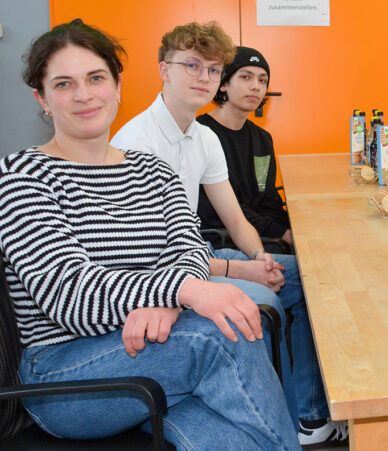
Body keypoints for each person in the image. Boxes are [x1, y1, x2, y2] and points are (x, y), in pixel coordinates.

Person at [1, 19, 298, 449]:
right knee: (223, 332)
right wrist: (181, 292)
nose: (84, 95)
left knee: (219, 429)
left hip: (156, 350)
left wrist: (171, 303)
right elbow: (69, 295)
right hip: (64, 372)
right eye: (64, 84)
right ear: (42, 98)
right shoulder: (22, 176)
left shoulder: (151, 169)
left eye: (95, 78)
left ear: (117, 85)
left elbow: (190, 246)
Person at [110, 22, 344, 445]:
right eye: (192, 66)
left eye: (213, 69)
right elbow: (151, 256)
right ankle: (290, 421)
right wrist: (244, 273)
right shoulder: (135, 142)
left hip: (197, 257)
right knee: (260, 305)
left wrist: (259, 259)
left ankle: (305, 418)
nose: (204, 78)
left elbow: (237, 219)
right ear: (163, 69)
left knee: (309, 277)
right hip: (167, 277)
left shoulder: (202, 138)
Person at [196, 46, 291, 244]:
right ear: (223, 84)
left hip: (260, 233)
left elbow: (267, 195)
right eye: (246, 77)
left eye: (262, 80)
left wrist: (292, 230)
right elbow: (221, 209)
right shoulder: (198, 135)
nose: (256, 86)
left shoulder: (262, 139)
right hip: (220, 239)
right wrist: (281, 234)